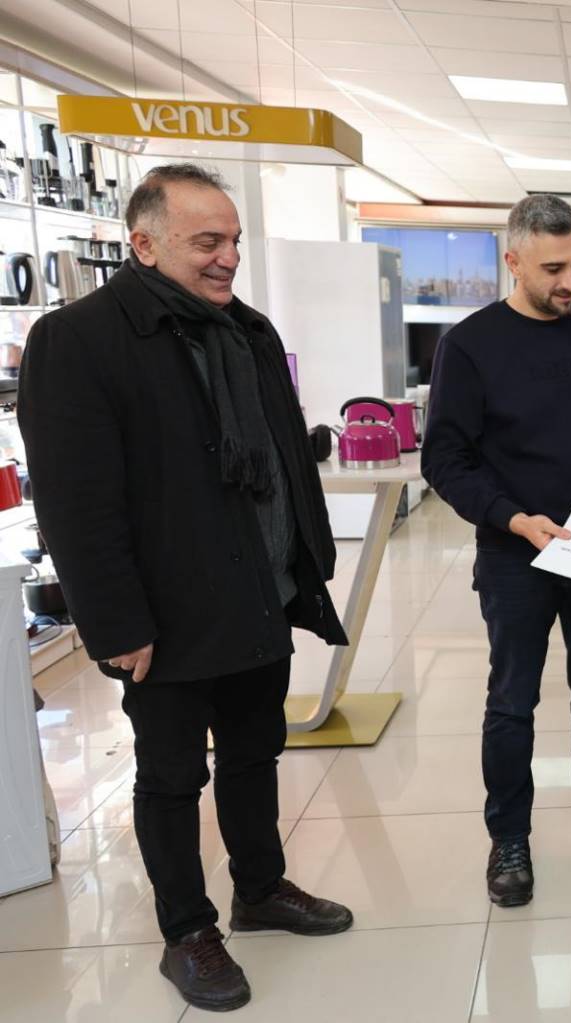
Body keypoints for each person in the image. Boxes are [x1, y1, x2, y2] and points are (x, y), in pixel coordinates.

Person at [18, 163, 353, 1013]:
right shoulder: (79, 339)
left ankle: (260, 888)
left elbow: (279, 454)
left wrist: (305, 562)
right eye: (207, 241)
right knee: (171, 774)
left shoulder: (245, 330)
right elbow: (74, 500)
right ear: (144, 243)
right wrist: (115, 621)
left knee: (254, 750)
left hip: (259, 591)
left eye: (233, 240)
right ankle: (187, 931)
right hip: (164, 613)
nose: (228, 256)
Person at [422, 194, 571, 911]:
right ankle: (510, 840)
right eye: (553, 268)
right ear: (513, 261)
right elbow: (445, 459)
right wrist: (513, 517)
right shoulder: (469, 346)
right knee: (512, 702)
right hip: (515, 552)